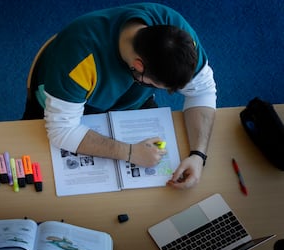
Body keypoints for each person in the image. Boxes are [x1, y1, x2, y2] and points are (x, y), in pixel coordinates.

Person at [23, 3, 216, 189]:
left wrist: (198, 155)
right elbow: (61, 130)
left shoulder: (179, 36)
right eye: (158, 85)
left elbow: (202, 90)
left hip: (132, 101)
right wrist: (130, 152)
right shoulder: (79, 56)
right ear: (138, 66)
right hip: (68, 104)